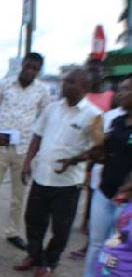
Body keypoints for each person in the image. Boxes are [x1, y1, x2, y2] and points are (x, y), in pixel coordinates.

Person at [14, 68, 103, 277]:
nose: (65, 85)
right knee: (33, 219)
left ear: (84, 87)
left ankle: (49, 262)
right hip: (42, 177)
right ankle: (34, 255)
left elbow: (99, 151)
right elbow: (37, 136)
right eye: (65, 81)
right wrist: (27, 163)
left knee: (61, 227)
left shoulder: (94, 116)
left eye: (71, 82)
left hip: (67, 183)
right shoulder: (52, 108)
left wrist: (73, 160)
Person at [65, 76, 132, 277]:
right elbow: (104, 155)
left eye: (125, 90)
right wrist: (90, 153)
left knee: (121, 249)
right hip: (104, 191)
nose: (119, 94)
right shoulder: (115, 121)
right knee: (96, 242)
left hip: (127, 201)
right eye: (119, 89)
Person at [0, 53, 52, 251]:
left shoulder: (43, 91)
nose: (30, 71)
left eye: (35, 68)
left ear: (38, 70)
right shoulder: (4, 85)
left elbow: (46, 118)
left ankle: (12, 231)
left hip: (24, 150)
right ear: (22, 65)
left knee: (19, 195)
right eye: (28, 66)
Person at [69, 58, 116, 260]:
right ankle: (87, 228)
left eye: (97, 70)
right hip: (82, 153)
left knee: (96, 194)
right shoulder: (83, 95)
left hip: (100, 155)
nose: (94, 74)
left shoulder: (111, 96)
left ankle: (95, 242)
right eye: (90, 70)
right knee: (87, 194)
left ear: (103, 73)